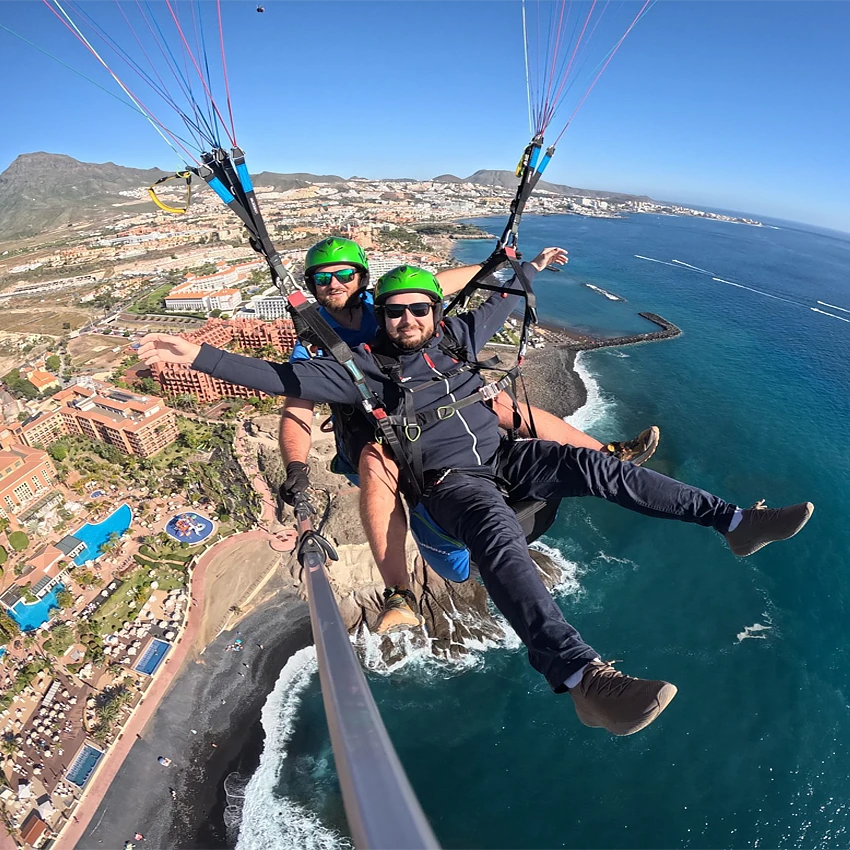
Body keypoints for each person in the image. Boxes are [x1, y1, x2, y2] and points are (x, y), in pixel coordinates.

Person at [139, 254, 814, 737]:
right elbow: (275, 376)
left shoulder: (457, 339)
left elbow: (499, 298)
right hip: (452, 487)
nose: (407, 319)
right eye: (397, 311)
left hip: (506, 458)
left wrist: (525, 264)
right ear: (383, 317)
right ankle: (583, 680)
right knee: (497, 540)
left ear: (434, 313)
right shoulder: (360, 373)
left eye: (419, 309)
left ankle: (732, 520)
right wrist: (193, 354)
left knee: (603, 469)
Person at [278, 236, 660, 632]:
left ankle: (607, 455)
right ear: (312, 285)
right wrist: (296, 465)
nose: (334, 283)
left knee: (500, 405)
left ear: (362, 277)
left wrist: (519, 266)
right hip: (380, 436)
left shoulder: (389, 305)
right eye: (323, 278)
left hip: (429, 415)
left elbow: (443, 283)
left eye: (344, 274)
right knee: (383, 466)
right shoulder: (313, 345)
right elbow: (296, 411)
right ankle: (400, 592)